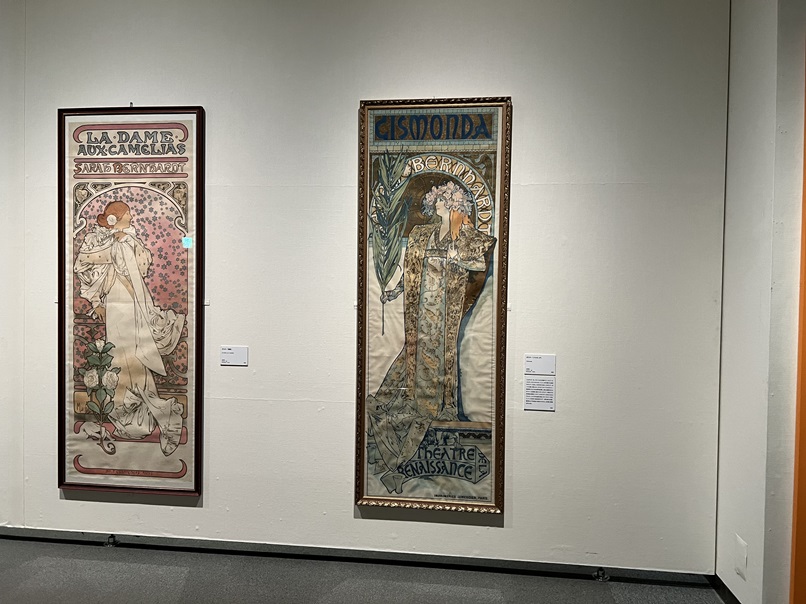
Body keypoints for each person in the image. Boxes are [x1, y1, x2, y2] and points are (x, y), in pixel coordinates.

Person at [367, 181, 495, 493]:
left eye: (441, 200)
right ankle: (398, 455)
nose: (435, 204)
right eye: (435, 200)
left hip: (443, 322)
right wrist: (394, 292)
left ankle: (401, 457)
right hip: (420, 317)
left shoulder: (466, 239)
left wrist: (463, 239)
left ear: (454, 206)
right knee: (402, 376)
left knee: (435, 380)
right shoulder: (422, 235)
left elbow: (477, 264)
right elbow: (410, 272)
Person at [74, 200, 185, 456]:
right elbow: (83, 266)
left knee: (137, 356)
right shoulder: (101, 240)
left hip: (132, 303)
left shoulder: (129, 239)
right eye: (128, 215)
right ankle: (144, 417)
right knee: (121, 358)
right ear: (116, 218)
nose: (132, 218)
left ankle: (156, 416)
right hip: (117, 302)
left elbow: (142, 267)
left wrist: (127, 242)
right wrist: (95, 301)